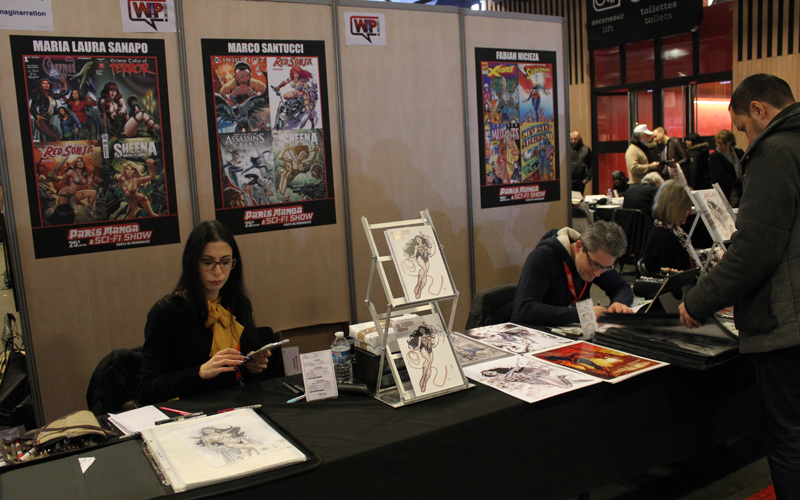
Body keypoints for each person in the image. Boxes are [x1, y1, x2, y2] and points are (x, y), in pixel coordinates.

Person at [678, 73, 800, 499]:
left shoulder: (775, 152)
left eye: (745, 128)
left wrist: (699, 300)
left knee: (790, 436)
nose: (746, 138)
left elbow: (756, 249)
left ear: (759, 110)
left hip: (787, 324)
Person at [140, 220, 273, 404]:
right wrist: (200, 372)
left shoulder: (238, 304)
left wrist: (252, 367)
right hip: (190, 409)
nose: (218, 272)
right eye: (207, 263)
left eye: (225, 262)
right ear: (192, 263)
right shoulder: (167, 312)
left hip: (236, 404)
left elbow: (239, 378)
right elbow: (148, 389)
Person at [511, 221, 634, 327]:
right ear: (579, 247)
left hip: (569, 334)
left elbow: (622, 287)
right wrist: (581, 314)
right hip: (535, 336)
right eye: (594, 264)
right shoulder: (543, 257)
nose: (597, 273)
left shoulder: (597, 260)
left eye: (606, 268)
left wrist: (619, 303)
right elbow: (524, 311)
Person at [641, 180, 695, 274]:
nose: (690, 212)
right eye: (687, 207)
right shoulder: (665, 239)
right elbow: (677, 277)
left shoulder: (666, 228)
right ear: (676, 208)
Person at [708, 129, 745, 206]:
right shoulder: (715, 156)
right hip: (725, 191)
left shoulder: (739, 152)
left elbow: (745, 167)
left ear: (729, 142)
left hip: (740, 190)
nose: (719, 146)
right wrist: (737, 183)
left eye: (722, 144)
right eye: (717, 143)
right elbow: (720, 176)